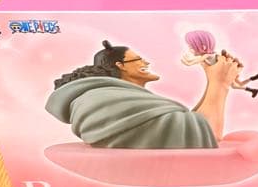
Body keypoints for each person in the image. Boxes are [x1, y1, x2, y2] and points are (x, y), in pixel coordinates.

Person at [46, 40, 246, 148]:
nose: (146, 62)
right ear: (120, 65)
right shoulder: (108, 101)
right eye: (138, 59)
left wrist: (214, 77)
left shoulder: (117, 98)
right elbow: (208, 133)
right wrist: (219, 83)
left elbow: (189, 124)